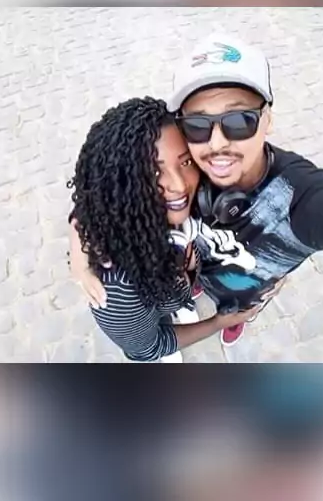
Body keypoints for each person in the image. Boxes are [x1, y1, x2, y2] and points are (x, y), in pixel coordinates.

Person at [73, 34, 323, 349]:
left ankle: (235, 321)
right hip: (192, 272)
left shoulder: (304, 197)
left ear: (267, 119)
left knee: (238, 311)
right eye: (197, 124)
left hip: (243, 295)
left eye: (239, 121)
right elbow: (109, 188)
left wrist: (225, 319)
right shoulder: (185, 168)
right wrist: (80, 248)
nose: (216, 144)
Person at [67, 97, 259, 362]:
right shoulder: (117, 290)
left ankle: (180, 305)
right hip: (154, 315)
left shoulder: (197, 203)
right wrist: (218, 322)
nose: (179, 185)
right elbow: (147, 348)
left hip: (176, 290)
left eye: (185, 162)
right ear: (122, 185)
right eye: (153, 173)